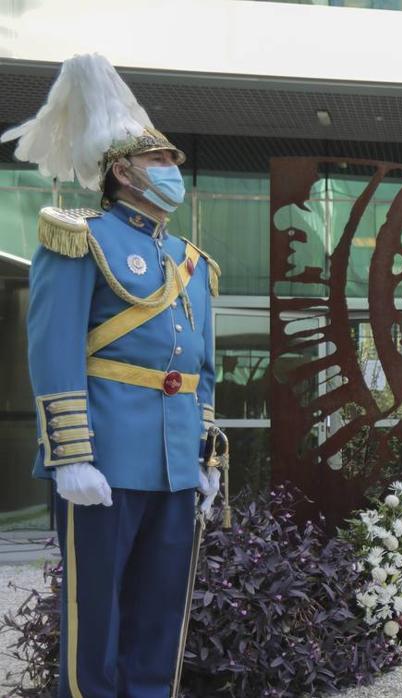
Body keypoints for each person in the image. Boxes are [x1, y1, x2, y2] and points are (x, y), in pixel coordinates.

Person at [3, 54, 222, 696]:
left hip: (176, 465)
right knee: (95, 617)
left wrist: (205, 457)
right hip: (104, 459)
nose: (172, 171)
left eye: (174, 161)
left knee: (161, 617)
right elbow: (52, 350)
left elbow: (201, 371)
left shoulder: (191, 263)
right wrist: (70, 455)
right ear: (122, 170)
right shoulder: (79, 237)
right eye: (160, 160)